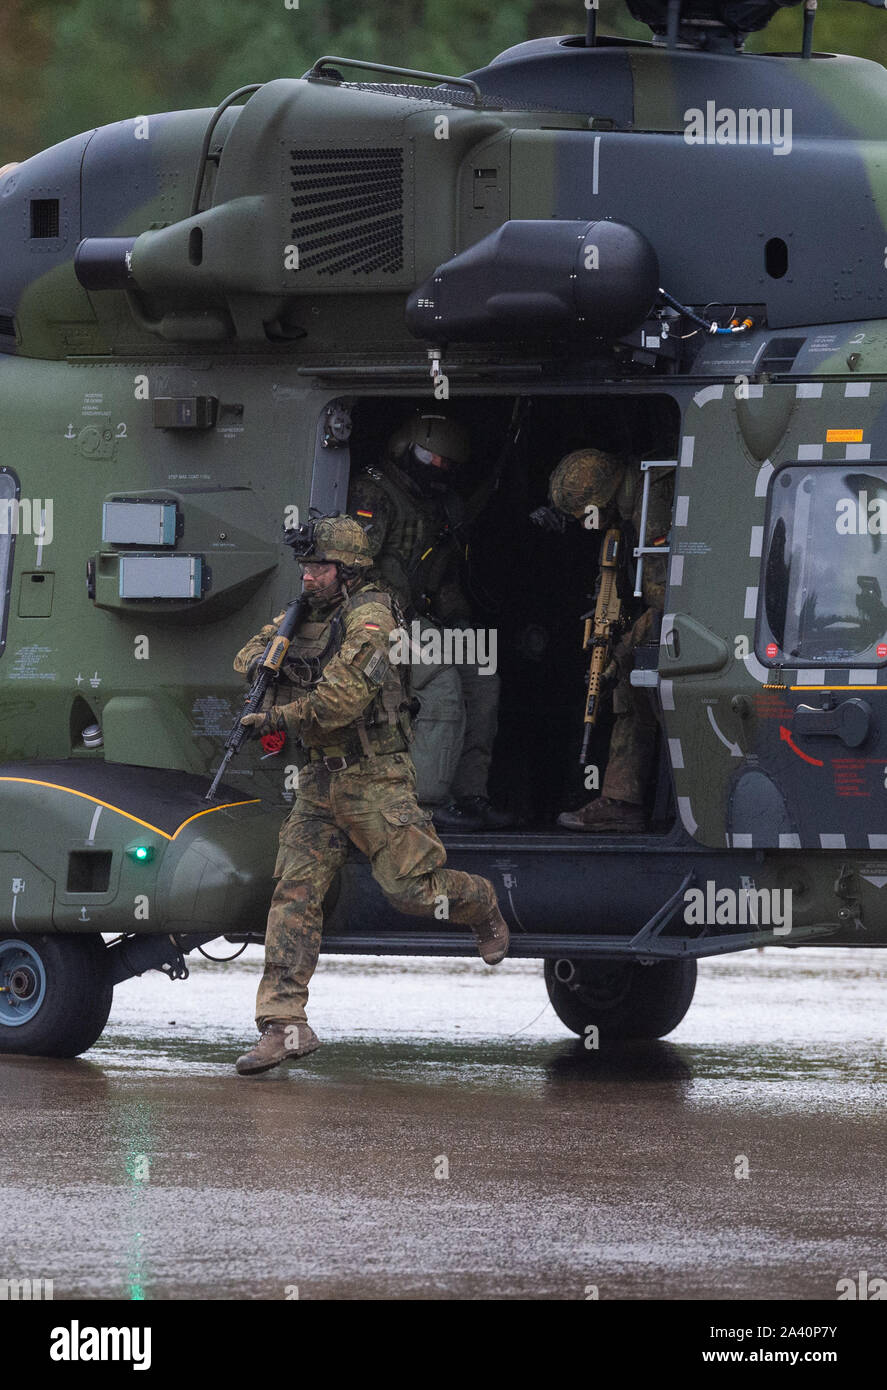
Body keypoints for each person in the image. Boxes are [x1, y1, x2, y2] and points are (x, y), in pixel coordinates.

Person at [232, 513, 510, 1076]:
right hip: (318, 783)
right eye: (306, 567)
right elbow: (246, 660)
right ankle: (284, 1025)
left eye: (319, 568)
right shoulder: (303, 616)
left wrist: (276, 713)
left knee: (410, 889)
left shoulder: (372, 619)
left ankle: (480, 902)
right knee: (294, 892)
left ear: (348, 569)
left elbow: (339, 703)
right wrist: (276, 656)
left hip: (374, 778)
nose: (308, 577)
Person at [349, 412, 513, 830]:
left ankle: (469, 794)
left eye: (447, 465)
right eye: (430, 458)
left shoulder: (442, 506)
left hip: (426, 615)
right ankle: (426, 802)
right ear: (404, 448)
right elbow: (353, 568)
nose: (438, 470)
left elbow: (445, 572)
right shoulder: (374, 493)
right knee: (441, 687)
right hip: (381, 614)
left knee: (483, 676)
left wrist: (458, 620)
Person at [532, 448, 674, 833]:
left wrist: (621, 653)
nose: (588, 527)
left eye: (588, 517)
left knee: (634, 683)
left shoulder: (650, 508)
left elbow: (669, 599)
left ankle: (631, 802)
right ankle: (622, 800)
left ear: (603, 501)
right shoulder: (633, 505)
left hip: (684, 624)